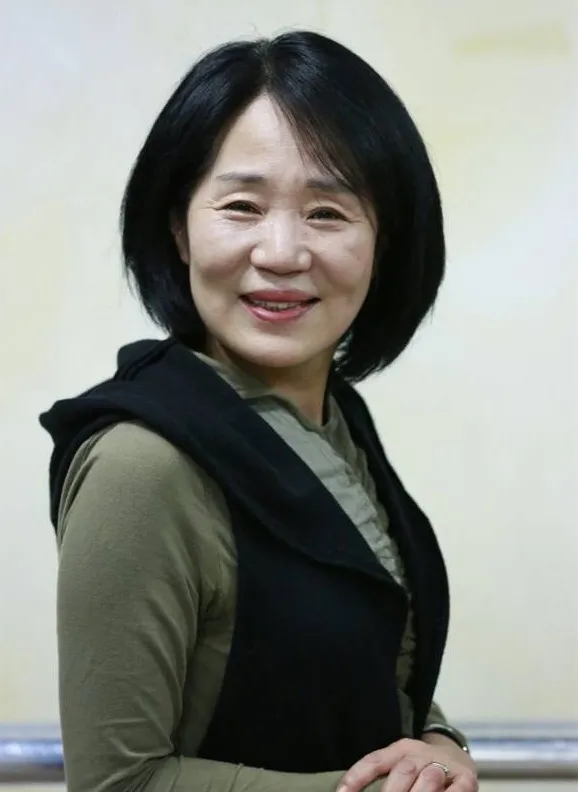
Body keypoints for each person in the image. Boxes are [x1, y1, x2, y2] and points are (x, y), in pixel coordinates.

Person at [40, 30, 479, 792]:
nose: (281, 252)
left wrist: (437, 745)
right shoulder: (140, 468)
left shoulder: (334, 421)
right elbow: (119, 782)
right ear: (178, 227)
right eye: (241, 206)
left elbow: (358, 653)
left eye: (327, 213)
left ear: (384, 241)